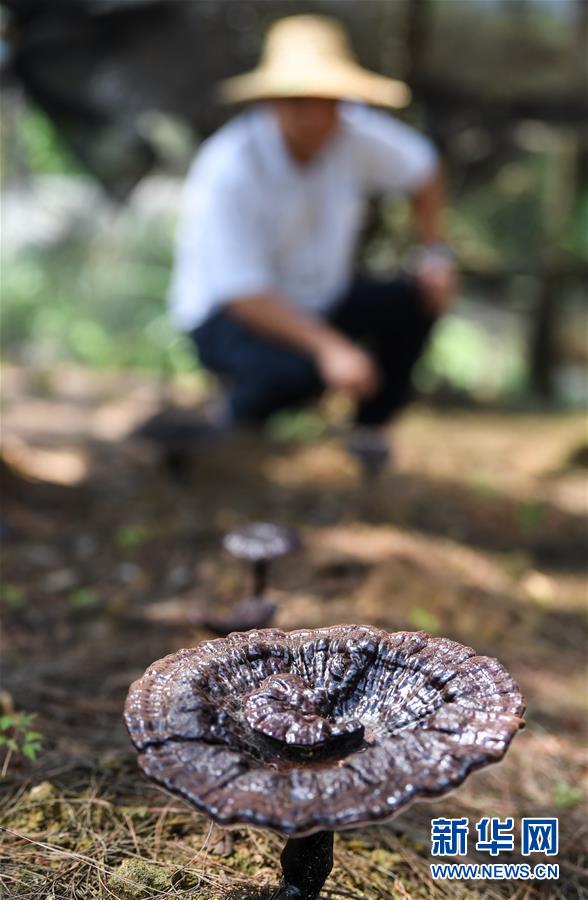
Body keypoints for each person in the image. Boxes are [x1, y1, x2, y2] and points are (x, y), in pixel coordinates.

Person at [168, 14, 455, 466]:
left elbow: (423, 168)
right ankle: (220, 429)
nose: (316, 116)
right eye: (300, 100)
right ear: (273, 101)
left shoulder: (354, 135)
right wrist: (331, 348)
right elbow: (241, 292)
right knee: (295, 374)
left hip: (317, 300)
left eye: (329, 101)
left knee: (414, 298)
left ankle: (370, 431)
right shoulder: (229, 169)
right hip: (228, 316)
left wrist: (434, 253)